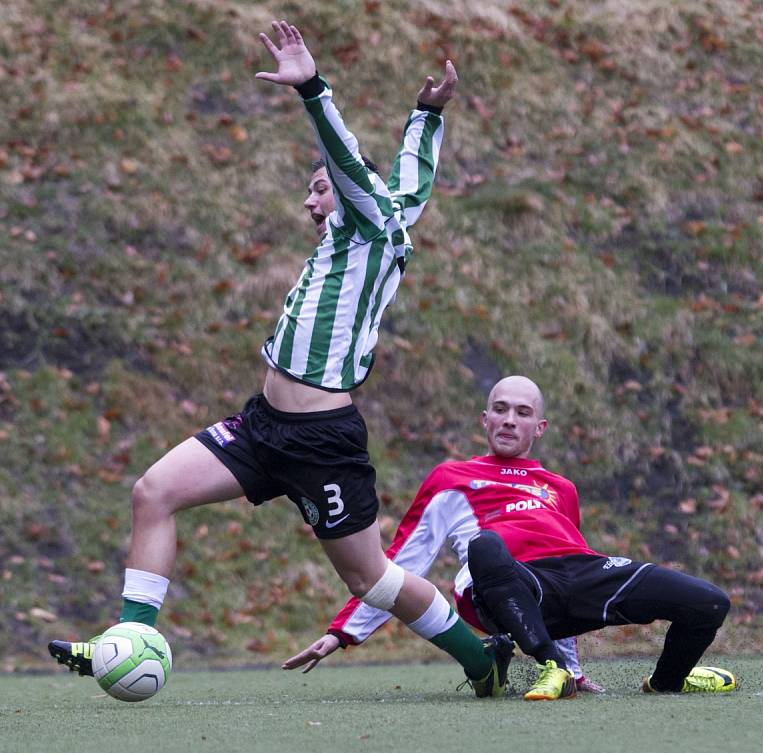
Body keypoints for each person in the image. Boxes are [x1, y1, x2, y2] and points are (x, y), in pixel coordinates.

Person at [48, 20, 513, 699]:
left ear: (348, 194)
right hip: (263, 424)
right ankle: (131, 638)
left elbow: (352, 162)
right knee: (154, 492)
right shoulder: (382, 216)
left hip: (322, 441)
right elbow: (411, 180)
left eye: (317, 189)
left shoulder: (366, 218)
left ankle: (482, 658)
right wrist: (427, 114)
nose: (309, 200)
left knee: (371, 579)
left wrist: (312, 90)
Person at [285, 376, 736, 700]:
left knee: (709, 602)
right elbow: (404, 558)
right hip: (496, 585)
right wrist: (343, 632)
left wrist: (577, 670)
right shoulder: (452, 478)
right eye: (500, 409)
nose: (508, 419)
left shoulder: (561, 488)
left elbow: (570, 573)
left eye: (522, 412)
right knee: (486, 546)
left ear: (539, 427)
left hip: (567, 582)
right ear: (485, 419)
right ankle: (548, 667)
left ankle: (667, 682)